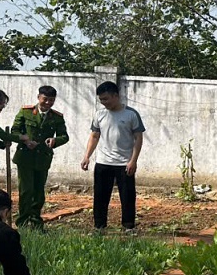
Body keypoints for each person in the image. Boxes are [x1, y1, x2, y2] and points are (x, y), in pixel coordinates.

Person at [81, 81, 145, 233]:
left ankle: (128, 226)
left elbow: (138, 138)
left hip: (124, 163)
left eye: (106, 99)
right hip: (103, 162)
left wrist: (133, 161)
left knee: (128, 196)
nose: (104, 103)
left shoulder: (131, 114)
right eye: (101, 100)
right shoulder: (99, 114)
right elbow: (95, 136)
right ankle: (99, 227)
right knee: (100, 196)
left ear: (116, 96)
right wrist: (87, 156)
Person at [11, 85, 69, 230]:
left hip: (43, 158)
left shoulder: (57, 117)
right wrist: (25, 140)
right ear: (39, 98)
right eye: (45, 99)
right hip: (25, 157)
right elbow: (15, 130)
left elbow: (64, 136)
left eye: (51, 100)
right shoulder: (26, 112)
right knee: (26, 190)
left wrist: (54, 141)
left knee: (38, 191)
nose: (48, 103)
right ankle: (23, 222)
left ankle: (36, 222)